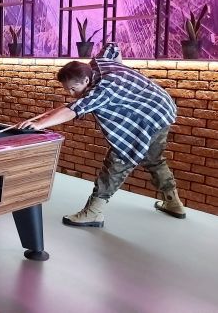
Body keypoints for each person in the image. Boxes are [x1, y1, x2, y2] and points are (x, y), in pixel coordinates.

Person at [17, 42, 186, 227]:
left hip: (149, 117)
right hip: (162, 109)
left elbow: (73, 110)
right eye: (67, 89)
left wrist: (38, 124)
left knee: (117, 161)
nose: (71, 93)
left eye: (73, 89)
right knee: (153, 160)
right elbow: (113, 46)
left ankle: (93, 212)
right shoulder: (98, 63)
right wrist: (122, 76)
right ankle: (173, 203)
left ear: (86, 80)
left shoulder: (103, 90)